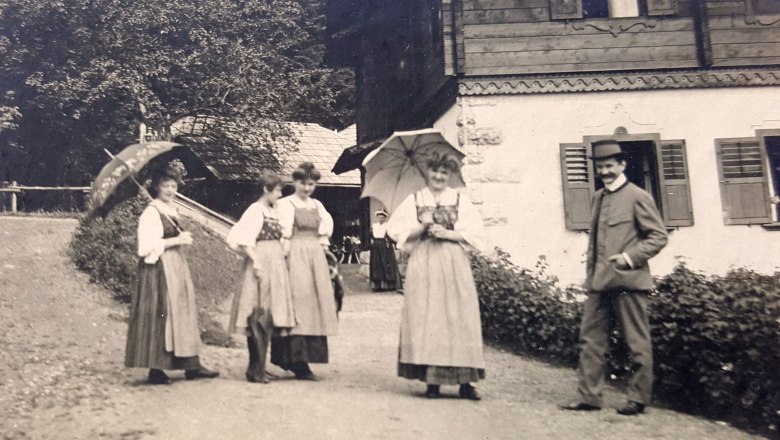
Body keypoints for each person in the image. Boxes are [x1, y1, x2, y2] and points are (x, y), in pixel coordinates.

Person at [560, 140, 668, 416]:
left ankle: (638, 398)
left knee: (636, 341)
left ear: (622, 165)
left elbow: (658, 236)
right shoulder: (598, 198)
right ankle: (589, 397)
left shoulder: (638, 196)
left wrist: (629, 257)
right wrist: (590, 278)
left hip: (629, 282)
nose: (605, 171)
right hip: (599, 282)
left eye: (610, 165)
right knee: (590, 340)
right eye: (600, 166)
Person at [386, 153, 486, 400]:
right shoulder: (415, 199)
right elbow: (394, 230)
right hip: (424, 261)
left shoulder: (460, 199)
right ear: (428, 171)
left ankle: (465, 382)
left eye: (444, 173)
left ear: (450, 175)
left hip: (453, 261)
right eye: (435, 171)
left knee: (459, 315)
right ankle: (432, 381)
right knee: (428, 317)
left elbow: (476, 233)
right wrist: (421, 227)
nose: (439, 177)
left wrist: (448, 233)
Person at [125, 162, 219, 384]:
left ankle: (191, 366)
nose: (170, 190)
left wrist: (180, 238)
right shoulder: (152, 211)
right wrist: (177, 240)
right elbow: (145, 247)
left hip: (177, 266)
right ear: (157, 186)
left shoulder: (171, 209)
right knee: (163, 315)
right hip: (158, 270)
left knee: (183, 314)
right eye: (166, 185)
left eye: (174, 186)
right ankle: (156, 369)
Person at [226, 173, 296, 383]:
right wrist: (256, 261)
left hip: (275, 262)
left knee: (269, 316)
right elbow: (242, 239)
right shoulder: (255, 210)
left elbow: (284, 235)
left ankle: (261, 367)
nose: (280, 194)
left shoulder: (274, 211)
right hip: (261, 263)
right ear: (266, 189)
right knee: (257, 315)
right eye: (277, 190)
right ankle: (254, 369)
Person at [273, 162, 338, 380]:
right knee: (297, 304)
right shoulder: (285, 205)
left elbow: (324, 232)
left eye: (311, 184)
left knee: (314, 305)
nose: (307, 188)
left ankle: (307, 358)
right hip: (294, 255)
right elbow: (282, 234)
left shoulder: (318, 205)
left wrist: (324, 249)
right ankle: (294, 360)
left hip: (315, 257)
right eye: (303, 183)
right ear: (294, 182)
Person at [369, 209, 402, 292]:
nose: (380, 219)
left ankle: (388, 285)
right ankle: (377, 286)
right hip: (376, 247)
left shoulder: (387, 226)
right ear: (377, 217)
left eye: (382, 217)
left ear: (384, 218)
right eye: (379, 217)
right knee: (376, 264)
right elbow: (370, 236)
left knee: (386, 263)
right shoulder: (374, 226)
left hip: (385, 246)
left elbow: (391, 236)